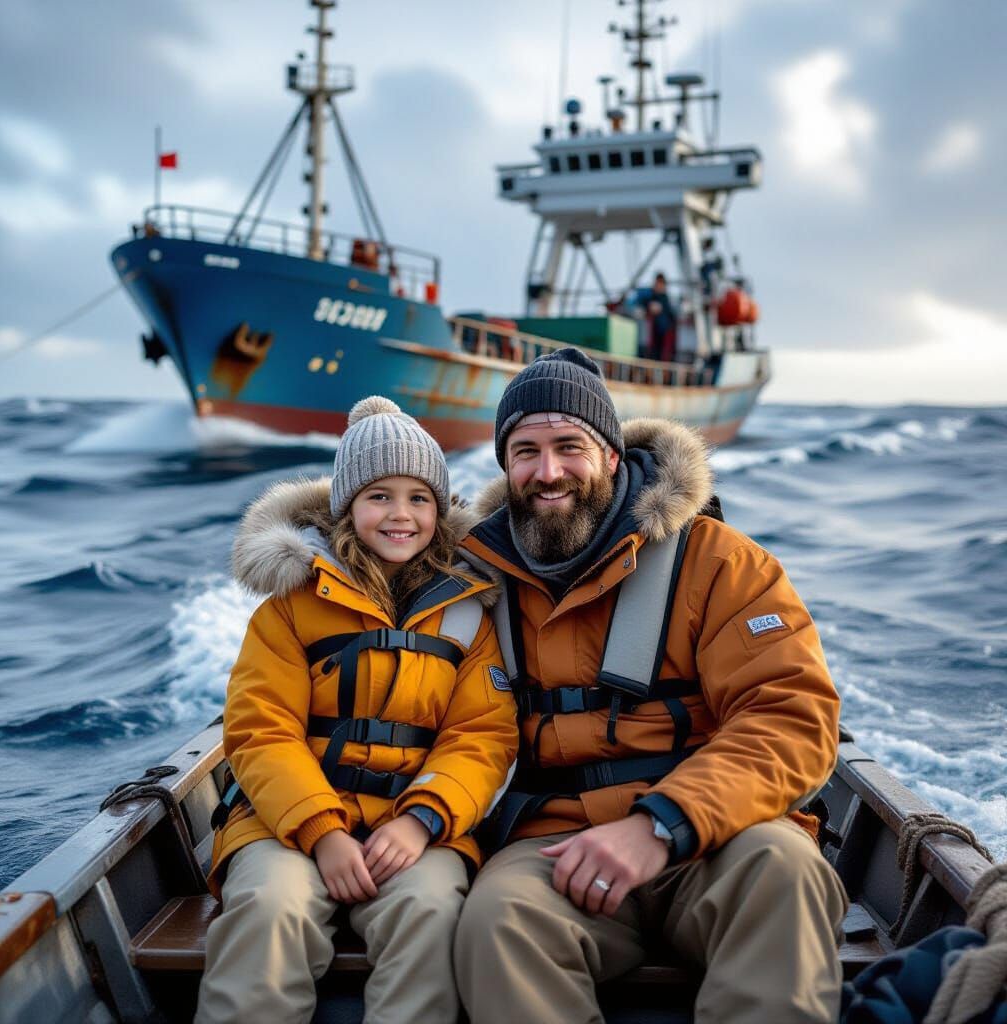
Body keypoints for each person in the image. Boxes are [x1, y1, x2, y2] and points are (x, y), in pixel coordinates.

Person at [453, 348, 848, 1024]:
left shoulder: (723, 563)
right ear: (504, 465)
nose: (547, 473)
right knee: (497, 922)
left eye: (568, 447)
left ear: (611, 455)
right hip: (555, 851)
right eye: (525, 451)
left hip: (722, 840)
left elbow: (792, 719)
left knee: (787, 872)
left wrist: (661, 825)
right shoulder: (474, 584)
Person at [195, 396, 519, 1024]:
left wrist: (423, 820)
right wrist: (322, 832)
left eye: (419, 498)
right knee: (269, 908)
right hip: (286, 823)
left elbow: (482, 735)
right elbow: (261, 731)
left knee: (430, 913)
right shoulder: (290, 607)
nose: (400, 514)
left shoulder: (471, 612)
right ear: (346, 506)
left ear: (441, 510)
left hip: (416, 828)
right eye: (379, 496)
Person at [632, 271, 677, 361]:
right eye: (658, 283)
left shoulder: (667, 300)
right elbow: (637, 305)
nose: (659, 286)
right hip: (648, 338)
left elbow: (671, 318)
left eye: (661, 283)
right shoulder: (648, 296)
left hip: (663, 338)